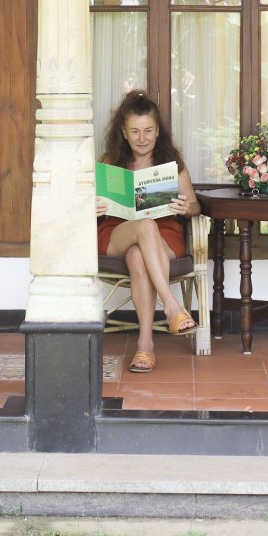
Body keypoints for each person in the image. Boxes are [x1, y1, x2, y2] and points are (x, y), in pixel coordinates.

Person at [96, 91, 200, 374]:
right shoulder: (110, 163)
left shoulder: (171, 165)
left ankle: (145, 345)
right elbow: (84, 203)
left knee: (138, 254)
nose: (142, 138)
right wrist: (92, 206)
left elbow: (194, 206)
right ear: (124, 132)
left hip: (163, 236)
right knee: (144, 225)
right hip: (116, 231)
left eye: (148, 130)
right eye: (135, 131)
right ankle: (172, 306)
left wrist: (186, 207)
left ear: (157, 131)